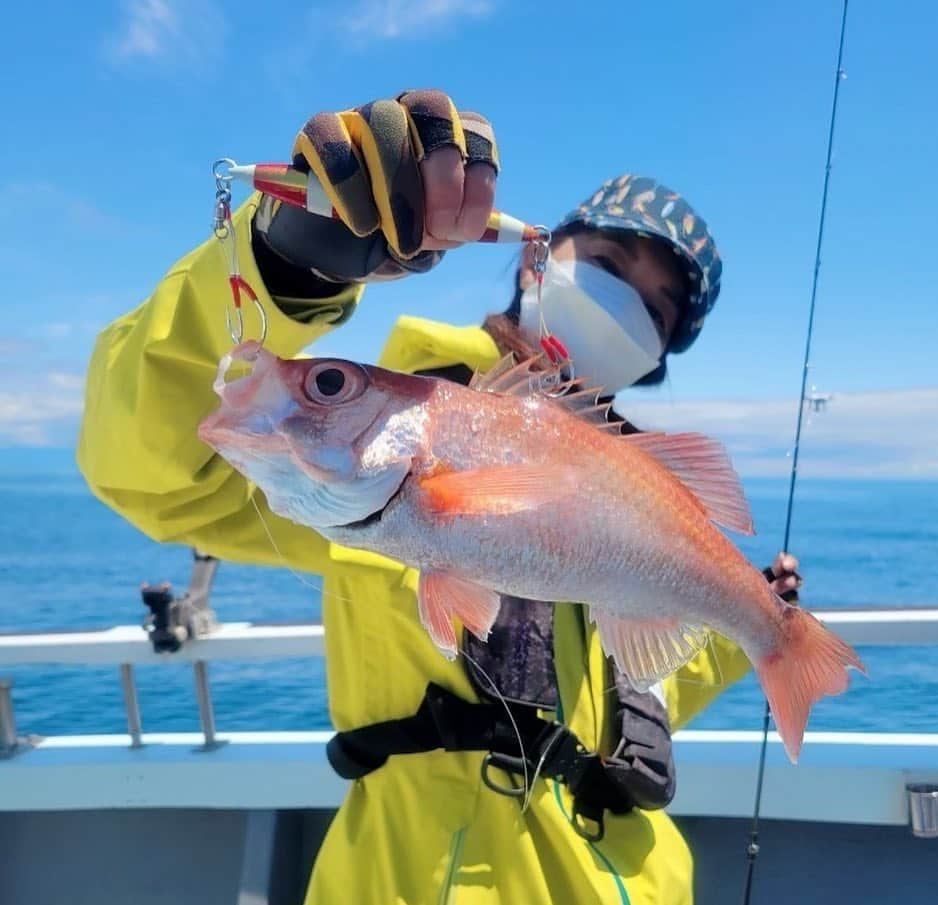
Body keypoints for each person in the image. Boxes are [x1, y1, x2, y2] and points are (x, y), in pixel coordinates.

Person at [77, 90, 801, 905]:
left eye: (658, 307)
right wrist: (286, 267)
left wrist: (751, 625)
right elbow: (147, 469)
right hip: (412, 877)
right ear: (539, 256)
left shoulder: (639, 482)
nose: (626, 303)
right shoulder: (393, 423)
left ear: (659, 352)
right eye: (606, 265)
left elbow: (634, 681)